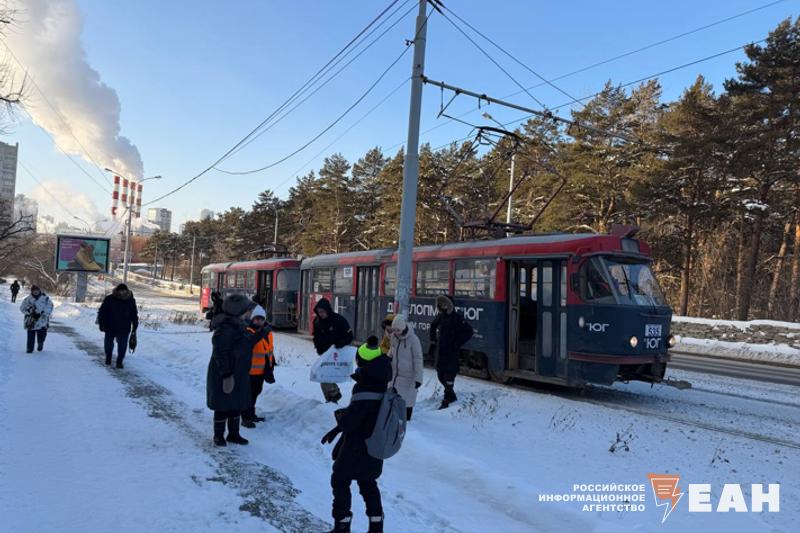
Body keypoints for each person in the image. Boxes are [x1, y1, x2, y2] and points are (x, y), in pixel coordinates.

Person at [321, 336, 392, 533]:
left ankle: (342, 525)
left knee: (340, 479)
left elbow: (351, 421)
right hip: (376, 444)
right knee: (368, 482)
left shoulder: (365, 386)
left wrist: (341, 417)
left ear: (362, 362)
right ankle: (376, 526)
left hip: (357, 446)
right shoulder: (381, 381)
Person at [207, 294, 259, 447]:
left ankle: (233, 434)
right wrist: (226, 373)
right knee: (223, 405)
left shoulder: (239, 325)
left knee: (236, 403)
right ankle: (218, 435)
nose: (250, 313)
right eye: (248, 310)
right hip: (225, 373)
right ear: (239, 311)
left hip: (238, 371)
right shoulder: (226, 329)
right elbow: (220, 353)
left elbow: (244, 346)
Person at [429, 295, 473, 410]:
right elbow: (432, 326)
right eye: (441, 304)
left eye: (445, 304)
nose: (443, 306)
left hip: (451, 352)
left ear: (450, 305)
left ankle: (447, 398)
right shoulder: (440, 316)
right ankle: (451, 394)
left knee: (449, 376)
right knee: (440, 375)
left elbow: (469, 331)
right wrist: (433, 340)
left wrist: (457, 343)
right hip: (441, 351)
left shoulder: (457, 318)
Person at [312, 298, 353, 403]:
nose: (320, 314)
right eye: (319, 312)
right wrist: (318, 347)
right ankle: (331, 397)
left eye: (322, 312)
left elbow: (350, 336)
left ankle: (333, 395)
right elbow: (316, 336)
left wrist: (340, 343)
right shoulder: (317, 321)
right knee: (322, 374)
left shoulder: (338, 320)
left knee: (326, 374)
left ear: (327, 310)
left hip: (338, 351)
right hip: (325, 353)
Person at [242, 305, 275, 428]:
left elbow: (269, 350)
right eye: (256, 319)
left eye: (261, 319)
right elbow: (250, 343)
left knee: (255, 393)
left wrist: (271, 366)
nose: (259, 321)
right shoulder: (248, 331)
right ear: (252, 319)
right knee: (248, 396)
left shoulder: (268, 333)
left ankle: (251, 414)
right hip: (250, 371)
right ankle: (245, 417)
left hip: (261, 371)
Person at [388, 315, 424, 421]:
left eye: (398, 330)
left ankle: (408, 420)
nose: (396, 332)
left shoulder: (413, 340)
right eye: (394, 330)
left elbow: (418, 359)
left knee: (407, 400)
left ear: (403, 328)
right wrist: (387, 359)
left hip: (408, 376)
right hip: (395, 374)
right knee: (392, 398)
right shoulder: (394, 337)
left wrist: (418, 378)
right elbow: (392, 350)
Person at [97, 283, 139, 368]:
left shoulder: (131, 300)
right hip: (110, 326)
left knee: (122, 345)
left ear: (126, 291)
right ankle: (108, 356)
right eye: (120, 291)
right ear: (117, 291)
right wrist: (101, 323)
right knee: (108, 344)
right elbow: (102, 311)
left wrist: (135, 324)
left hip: (124, 327)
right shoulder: (109, 299)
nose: (122, 292)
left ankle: (120, 361)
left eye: (124, 291)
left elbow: (134, 313)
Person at [19, 285, 54, 354]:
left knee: (42, 335)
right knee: (30, 335)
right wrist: (30, 312)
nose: (35, 292)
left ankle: (40, 343)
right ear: (31, 291)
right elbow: (22, 308)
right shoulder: (27, 299)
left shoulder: (45, 298)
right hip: (31, 321)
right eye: (34, 290)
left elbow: (50, 307)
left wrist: (43, 313)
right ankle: (29, 348)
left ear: (39, 290)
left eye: (37, 290)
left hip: (42, 321)